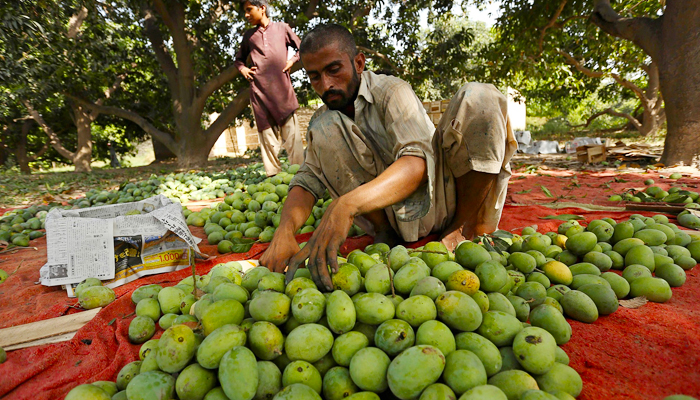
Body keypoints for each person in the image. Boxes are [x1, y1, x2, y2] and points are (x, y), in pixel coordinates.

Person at [259, 24, 517, 290]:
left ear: (359, 63)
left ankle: (462, 227)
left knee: (480, 97)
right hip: (389, 215)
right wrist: (285, 230)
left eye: (334, 70)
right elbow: (307, 180)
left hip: (441, 197)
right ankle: (385, 232)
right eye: (314, 77)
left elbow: (416, 161)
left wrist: (346, 206)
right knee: (323, 127)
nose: (326, 85)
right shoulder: (323, 119)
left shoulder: (392, 92)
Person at [234, 0, 304, 176]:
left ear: (262, 8)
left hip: (283, 93)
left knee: (293, 140)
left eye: (249, 10)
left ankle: (303, 178)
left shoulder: (282, 28)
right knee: (268, 139)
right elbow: (239, 60)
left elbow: (302, 48)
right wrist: (243, 69)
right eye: (245, 11)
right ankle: (273, 178)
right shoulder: (248, 36)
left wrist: (292, 61)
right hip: (259, 93)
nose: (246, 15)